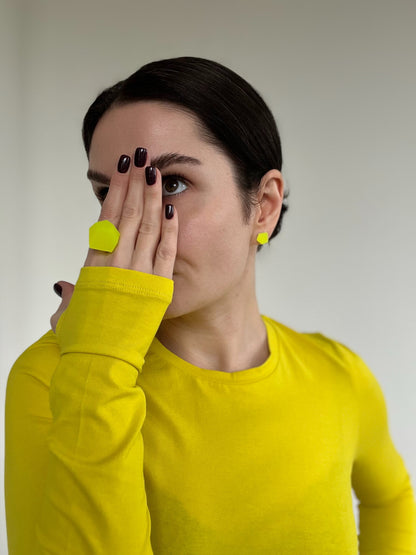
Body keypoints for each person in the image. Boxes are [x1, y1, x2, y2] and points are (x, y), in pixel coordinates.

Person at [4, 56, 416, 554]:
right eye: (107, 193)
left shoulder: (339, 375)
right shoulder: (53, 377)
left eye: (171, 183)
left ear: (262, 205)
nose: (130, 225)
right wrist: (97, 365)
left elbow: (391, 498)